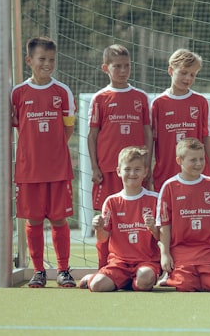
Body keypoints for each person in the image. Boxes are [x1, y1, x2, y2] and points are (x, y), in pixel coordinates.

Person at [11, 36, 78, 288]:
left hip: (58, 169)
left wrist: (53, 150)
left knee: (59, 220)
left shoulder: (62, 91)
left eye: (51, 59)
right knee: (34, 220)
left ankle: (63, 270)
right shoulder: (17, 93)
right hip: (29, 171)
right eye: (41, 59)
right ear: (29, 61)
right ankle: (38, 271)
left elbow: (67, 129)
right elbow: (18, 127)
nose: (47, 64)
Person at [87, 44, 152, 268]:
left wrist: (148, 165)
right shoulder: (100, 98)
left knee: (134, 220)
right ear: (106, 68)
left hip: (135, 171)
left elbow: (148, 133)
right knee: (106, 221)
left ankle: (139, 262)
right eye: (117, 66)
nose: (123, 71)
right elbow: (92, 135)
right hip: (108, 169)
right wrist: (95, 167)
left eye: (127, 66)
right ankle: (103, 265)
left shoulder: (141, 97)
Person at [156, 138, 210, 292]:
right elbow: (164, 224)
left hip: (208, 248)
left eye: (201, 159)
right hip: (181, 249)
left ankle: (203, 273)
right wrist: (165, 253)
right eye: (193, 160)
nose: (199, 163)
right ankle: (173, 275)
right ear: (179, 160)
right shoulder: (169, 186)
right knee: (185, 285)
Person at [84, 146, 161, 292]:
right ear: (119, 171)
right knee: (97, 286)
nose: (132, 173)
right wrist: (99, 227)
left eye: (137, 169)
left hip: (146, 262)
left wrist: (153, 228)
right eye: (127, 169)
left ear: (145, 172)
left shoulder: (155, 200)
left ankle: (128, 281)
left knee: (145, 280)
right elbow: (102, 238)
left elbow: (162, 238)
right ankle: (96, 278)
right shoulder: (111, 202)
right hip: (118, 263)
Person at [150, 49, 210, 193]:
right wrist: (150, 170)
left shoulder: (200, 102)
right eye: (184, 73)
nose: (188, 78)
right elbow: (152, 140)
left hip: (195, 172)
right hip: (166, 172)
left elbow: (207, 138)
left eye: (193, 74)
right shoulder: (158, 103)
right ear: (171, 70)